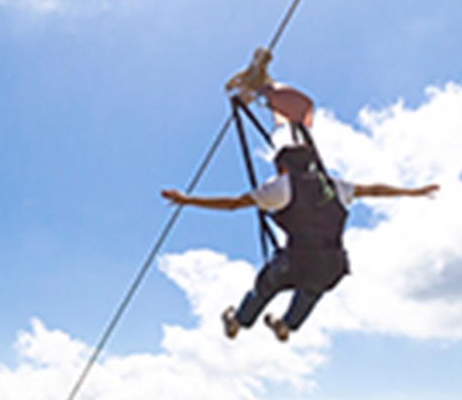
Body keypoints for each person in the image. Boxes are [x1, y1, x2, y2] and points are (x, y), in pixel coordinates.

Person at [161, 144, 439, 342]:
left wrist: (188, 200)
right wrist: (411, 192)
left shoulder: (281, 186)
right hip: (332, 265)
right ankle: (286, 325)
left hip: (295, 262)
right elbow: (373, 190)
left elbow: (233, 204)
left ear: (283, 167)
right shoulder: (334, 185)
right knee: (313, 288)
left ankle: (238, 321)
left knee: (265, 287)